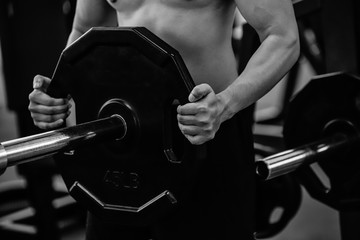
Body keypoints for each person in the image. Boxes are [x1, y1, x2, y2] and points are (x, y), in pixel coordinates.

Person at [28, 0, 300, 239]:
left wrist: (224, 105)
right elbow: (87, 29)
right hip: (122, 138)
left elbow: (282, 36)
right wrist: (58, 93)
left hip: (203, 131)